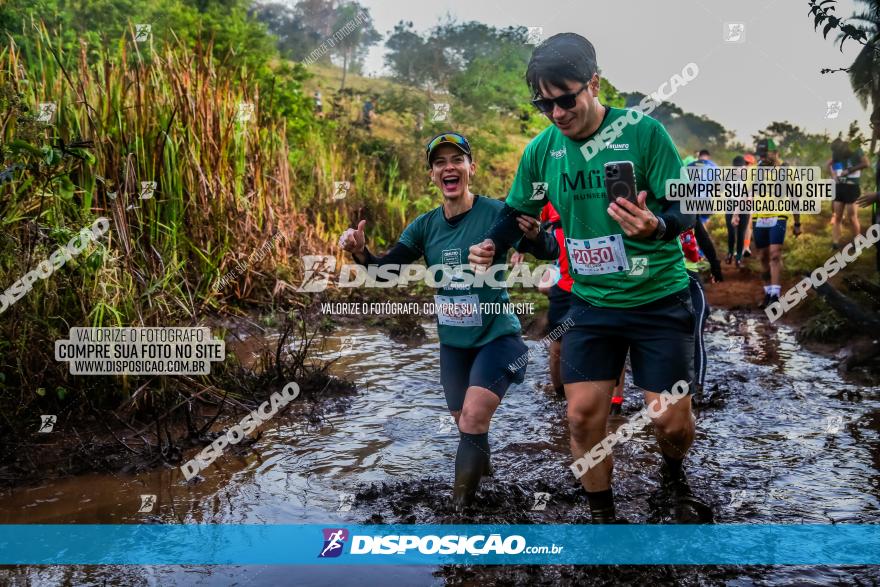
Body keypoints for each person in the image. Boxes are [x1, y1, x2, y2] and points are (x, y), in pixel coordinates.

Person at [468, 33, 705, 523]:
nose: (556, 113)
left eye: (565, 99)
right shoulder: (541, 151)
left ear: (594, 84)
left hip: (659, 299)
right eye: (544, 104)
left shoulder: (642, 133)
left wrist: (659, 224)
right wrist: (494, 243)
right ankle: (603, 517)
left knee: (672, 424)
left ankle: (673, 476)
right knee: (580, 416)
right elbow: (516, 212)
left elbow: (687, 206)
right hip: (592, 304)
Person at [339, 132, 559, 509]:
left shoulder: (498, 214)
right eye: (439, 162)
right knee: (465, 424)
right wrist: (362, 253)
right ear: (432, 175)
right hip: (454, 344)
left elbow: (550, 249)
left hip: (498, 337)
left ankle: (459, 514)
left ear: (471, 168)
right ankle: (488, 482)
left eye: (456, 159)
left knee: (473, 418)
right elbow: (385, 273)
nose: (448, 167)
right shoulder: (425, 227)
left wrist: (537, 235)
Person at [753, 138, 801, 309]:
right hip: (758, 217)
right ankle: (767, 292)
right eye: (760, 155)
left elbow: (795, 196)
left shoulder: (787, 170)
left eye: (765, 154)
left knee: (774, 254)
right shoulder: (757, 170)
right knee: (763, 256)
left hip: (779, 216)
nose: (763, 158)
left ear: (775, 152)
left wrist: (797, 222)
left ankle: (775, 296)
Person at [827, 138, 869, 249]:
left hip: (852, 188)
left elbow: (866, 163)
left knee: (852, 217)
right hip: (840, 187)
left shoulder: (856, 149)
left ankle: (857, 243)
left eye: (838, 152)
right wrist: (835, 176)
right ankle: (835, 243)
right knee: (837, 217)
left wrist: (849, 171)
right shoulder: (837, 153)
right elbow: (832, 164)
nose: (837, 154)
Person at [725, 155, 750, 266]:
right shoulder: (728, 177)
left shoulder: (748, 178)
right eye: (736, 168)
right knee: (731, 231)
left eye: (740, 167)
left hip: (743, 206)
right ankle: (730, 253)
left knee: (741, 232)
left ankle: (738, 257)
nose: (738, 170)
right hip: (731, 204)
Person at [688, 149, 719, 226]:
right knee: (704, 221)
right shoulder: (714, 166)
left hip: (693, 198)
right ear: (708, 157)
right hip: (706, 198)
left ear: (699, 156)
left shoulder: (691, 165)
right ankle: (703, 236)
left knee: (692, 222)